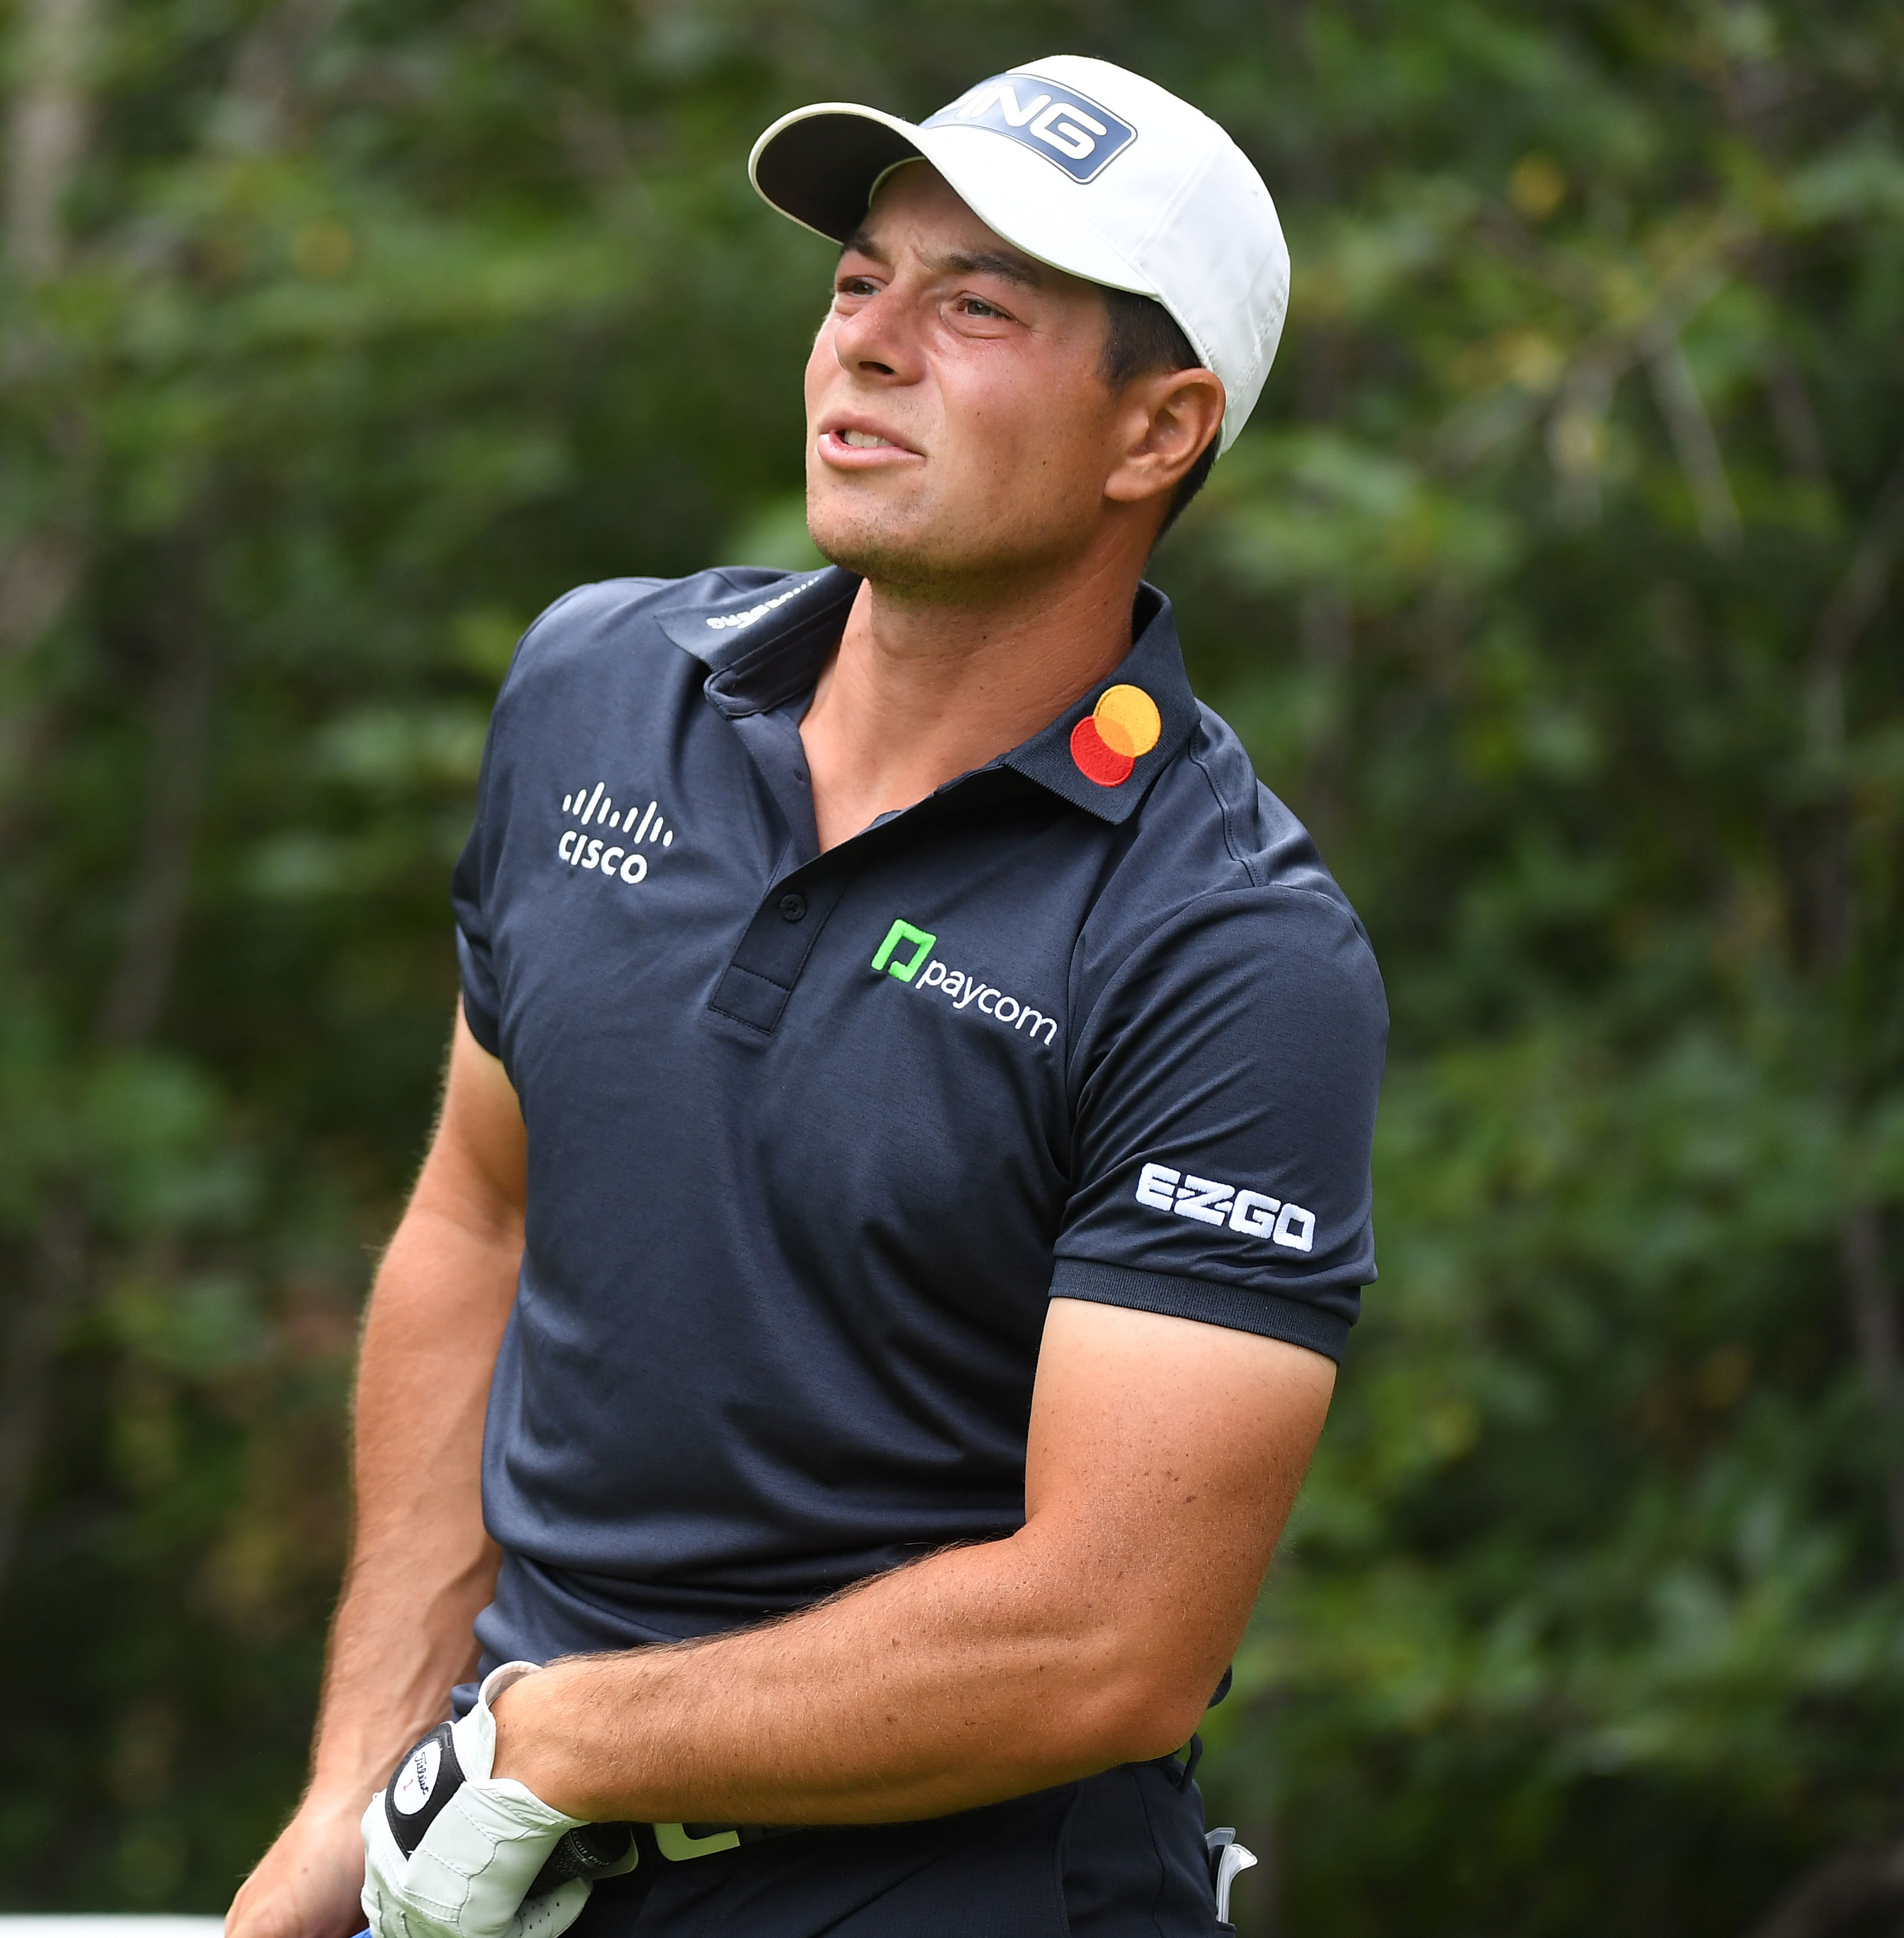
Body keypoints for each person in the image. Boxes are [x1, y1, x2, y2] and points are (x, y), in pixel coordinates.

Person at [227, 52, 1384, 1938]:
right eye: (860, 281)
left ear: (1154, 431)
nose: (869, 342)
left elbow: (1108, 1641)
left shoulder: (1225, 945)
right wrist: (365, 1778)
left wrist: (555, 1739)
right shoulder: (597, 686)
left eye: (975, 304)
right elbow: (481, 1215)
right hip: (493, 1870)